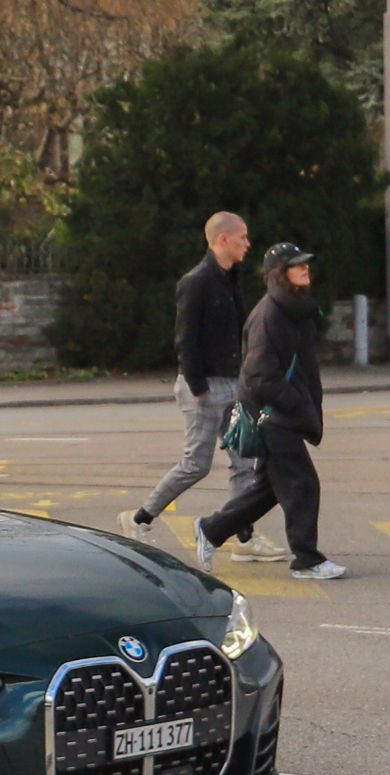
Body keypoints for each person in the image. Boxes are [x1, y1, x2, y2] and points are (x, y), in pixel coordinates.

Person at [127, 212, 282, 561]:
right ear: (222, 240)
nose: (248, 244)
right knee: (196, 463)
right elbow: (185, 338)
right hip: (205, 386)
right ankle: (140, 518)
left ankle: (244, 538)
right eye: (241, 237)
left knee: (244, 462)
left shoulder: (232, 279)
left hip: (234, 383)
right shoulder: (195, 282)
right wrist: (198, 386)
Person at [195, 243, 343, 579]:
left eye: (306, 264)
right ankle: (308, 560)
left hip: (281, 413)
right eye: (296, 265)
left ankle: (211, 529)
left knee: (270, 489)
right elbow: (260, 374)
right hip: (274, 415)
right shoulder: (271, 314)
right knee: (303, 486)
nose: (305, 269)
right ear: (280, 274)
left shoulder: (293, 309)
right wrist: (295, 403)